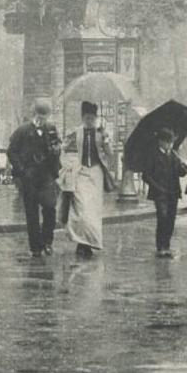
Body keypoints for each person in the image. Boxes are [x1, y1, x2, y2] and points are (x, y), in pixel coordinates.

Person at [7, 99, 63, 257]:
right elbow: (11, 151)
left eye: (45, 117)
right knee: (31, 212)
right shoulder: (23, 130)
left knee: (50, 208)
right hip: (29, 177)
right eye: (39, 116)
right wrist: (22, 169)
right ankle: (35, 247)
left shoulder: (51, 129)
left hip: (46, 176)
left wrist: (56, 150)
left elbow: (56, 146)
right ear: (34, 114)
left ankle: (47, 242)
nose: (42, 120)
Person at [62, 100, 116, 257]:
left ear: (96, 117)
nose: (89, 120)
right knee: (81, 208)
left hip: (96, 174)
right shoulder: (76, 132)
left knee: (92, 211)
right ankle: (81, 241)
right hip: (81, 172)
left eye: (92, 118)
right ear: (82, 117)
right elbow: (64, 148)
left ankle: (88, 243)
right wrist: (67, 160)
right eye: (86, 117)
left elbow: (110, 155)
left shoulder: (101, 133)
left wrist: (106, 140)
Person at [138, 128, 187, 258]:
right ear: (161, 142)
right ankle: (160, 246)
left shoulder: (173, 155)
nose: (170, 145)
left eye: (171, 143)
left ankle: (167, 246)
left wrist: (185, 168)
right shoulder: (153, 155)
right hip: (160, 193)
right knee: (162, 217)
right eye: (168, 142)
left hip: (173, 192)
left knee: (171, 219)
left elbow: (181, 173)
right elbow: (146, 175)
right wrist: (157, 187)